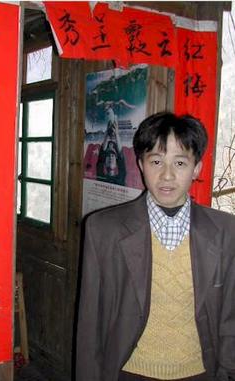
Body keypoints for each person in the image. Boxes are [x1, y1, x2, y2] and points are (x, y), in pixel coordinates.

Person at [76, 112, 235, 380]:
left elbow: (231, 318)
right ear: (140, 164)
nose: (167, 175)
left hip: (200, 373)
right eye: (157, 161)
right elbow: (90, 324)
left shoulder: (225, 231)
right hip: (128, 372)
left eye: (181, 163)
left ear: (197, 168)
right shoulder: (103, 229)